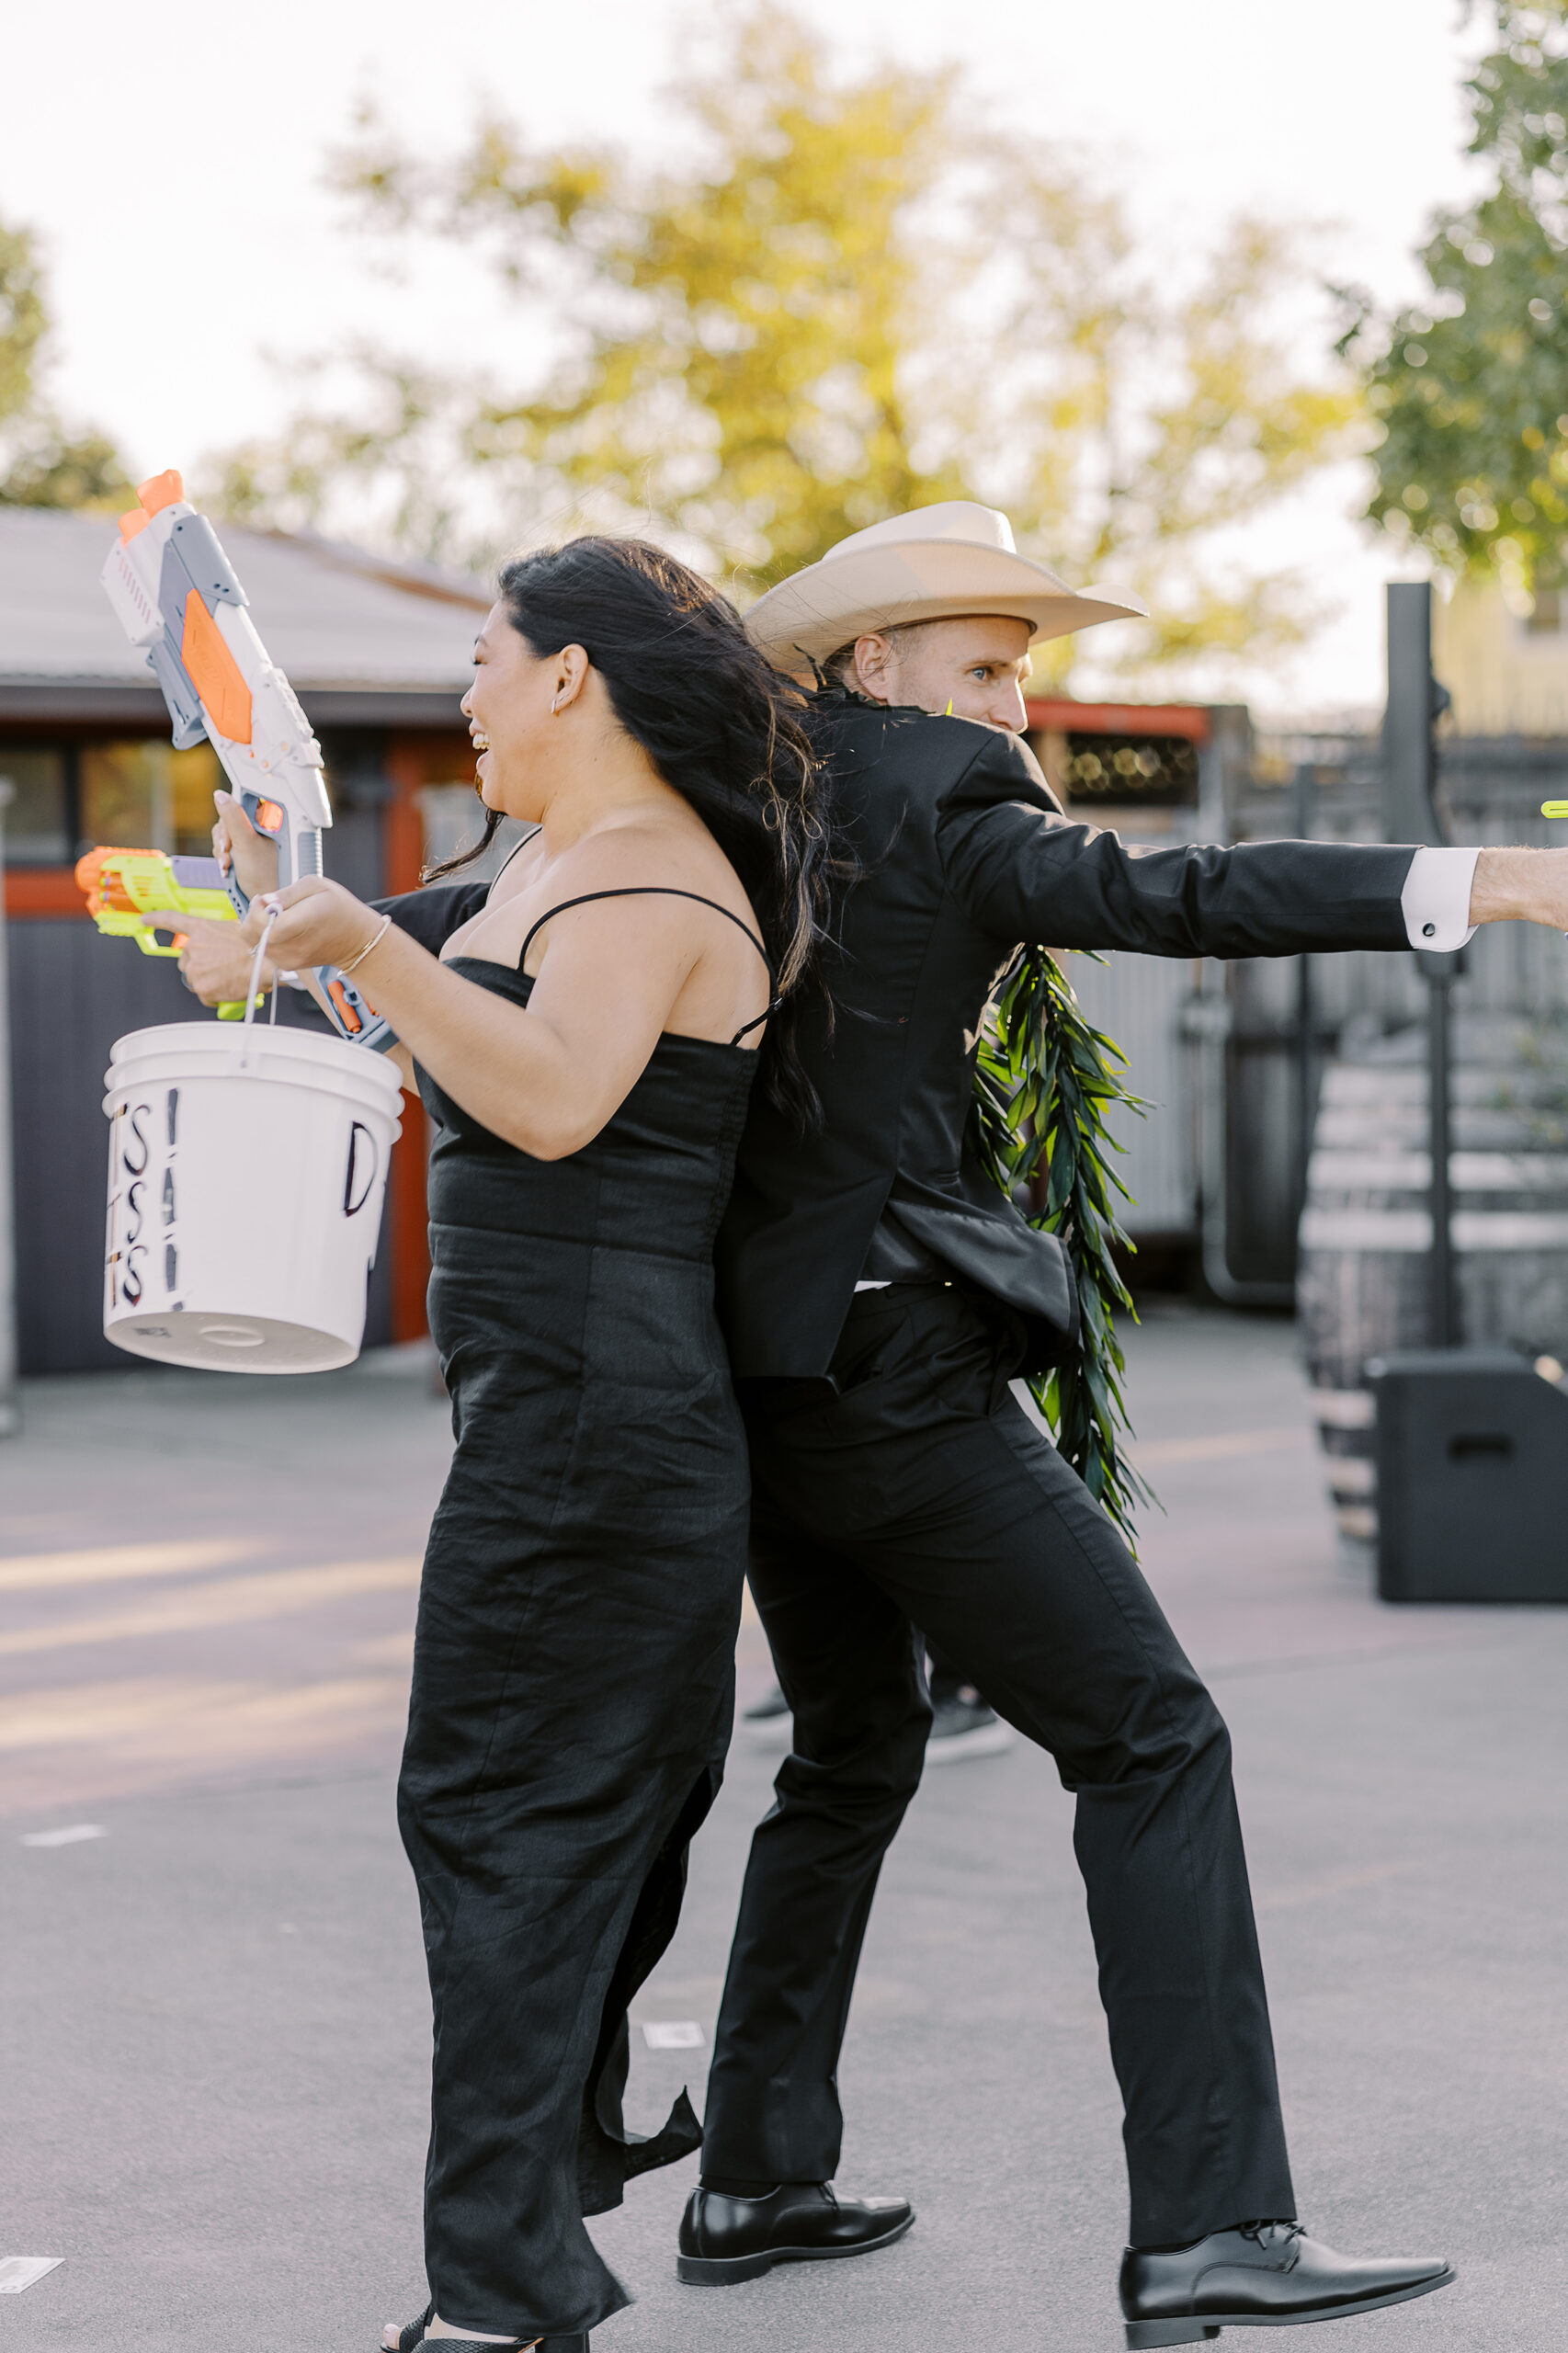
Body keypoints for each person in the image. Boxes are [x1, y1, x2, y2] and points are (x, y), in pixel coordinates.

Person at [678, 502, 1568, 2346]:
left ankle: (756, 2169)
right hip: (894, 1372)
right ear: (875, 662)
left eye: (1021, 672)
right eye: (987, 666)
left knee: (851, 1746)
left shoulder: (744, 798)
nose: (1018, 704)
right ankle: (1209, 2224)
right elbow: (1177, 896)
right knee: (1151, 1735)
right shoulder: (938, 787)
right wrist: (1475, 875)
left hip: (760, 1366)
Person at [204, 538, 830, 2353]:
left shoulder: (650, 872)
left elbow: (552, 1098)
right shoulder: (556, 861)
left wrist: (365, 943)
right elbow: (448, 1042)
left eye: (483, 658)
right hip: (566, 1413)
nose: (464, 696)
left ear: (570, 674)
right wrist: (275, 921)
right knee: (556, 1812)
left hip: (594, 1426)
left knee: (497, 1817)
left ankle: (501, 2288)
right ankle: (560, 2161)